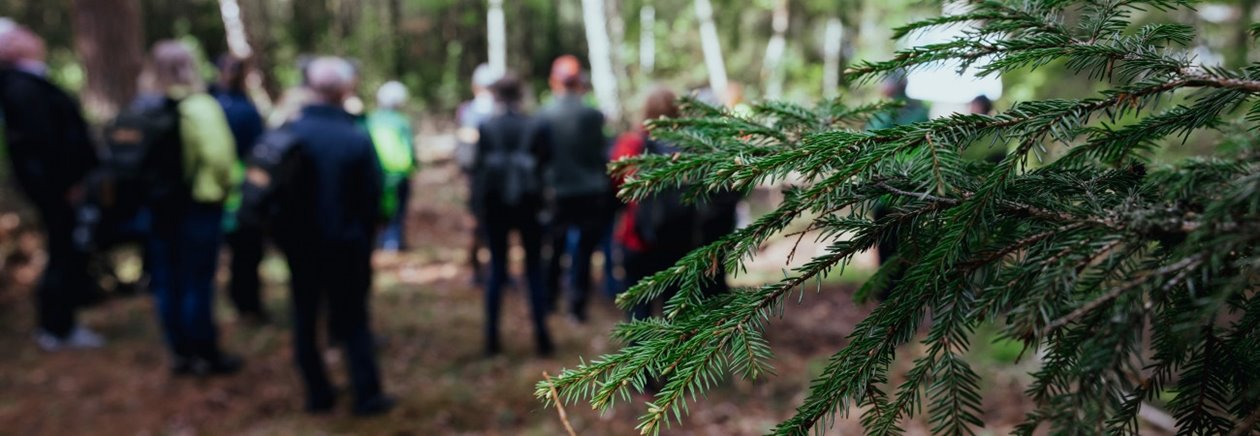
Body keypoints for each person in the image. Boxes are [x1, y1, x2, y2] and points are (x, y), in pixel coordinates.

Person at [272, 56, 394, 415]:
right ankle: (367, 396)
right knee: (353, 319)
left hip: (300, 248)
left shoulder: (287, 133)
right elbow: (373, 200)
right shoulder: (354, 138)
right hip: (346, 246)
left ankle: (317, 393)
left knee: (305, 317)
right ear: (345, 90)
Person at [0, 23, 104, 351]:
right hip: (57, 191)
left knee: (66, 249)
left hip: (60, 189)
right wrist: (64, 186)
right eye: (18, 34)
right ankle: (57, 326)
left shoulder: (29, 82)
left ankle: (62, 320)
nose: (31, 35)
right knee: (62, 250)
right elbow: (41, 146)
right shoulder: (20, 87)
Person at [140, 41, 242, 374]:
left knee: (167, 280)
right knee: (197, 281)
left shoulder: (142, 106)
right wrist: (224, 190)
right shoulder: (200, 106)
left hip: (156, 209)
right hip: (198, 206)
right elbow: (219, 157)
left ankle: (179, 352)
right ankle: (205, 353)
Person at [472, 74, 554, 357]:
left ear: (495, 95)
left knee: (497, 268)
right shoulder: (536, 125)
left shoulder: (486, 126)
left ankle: (491, 340)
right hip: (530, 206)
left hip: (495, 207)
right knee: (534, 269)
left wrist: (476, 209)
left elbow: (478, 170)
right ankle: (543, 337)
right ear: (521, 94)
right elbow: (546, 166)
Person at [610, 88, 703, 319]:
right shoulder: (691, 145)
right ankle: (675, 354)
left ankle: (639, 354)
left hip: (637, 238)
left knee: (638, 314)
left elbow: (618, 183)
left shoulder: (631, 143)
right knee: (675, 314)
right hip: (679, 239)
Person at [538, 55, 613, 322]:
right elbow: (601, 154)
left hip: (557, 192)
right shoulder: (593, 115)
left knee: (555, 247)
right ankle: (577, 306)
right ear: (579, 82)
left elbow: (540, 157)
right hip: (590, 191)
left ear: (555, 81)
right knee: (583, 250)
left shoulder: (544, 113)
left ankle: (548, 300)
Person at [210, 54, 269, 323]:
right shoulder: (242, 110)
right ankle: (247, 304)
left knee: (237, 251)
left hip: (216, 191)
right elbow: (258, 151)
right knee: (246, 251)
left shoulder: (209, 104)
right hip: (240, 192)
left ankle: (240, 301)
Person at [867, 71, 930, 300]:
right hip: (912, 192)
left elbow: (869, 140)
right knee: (905, 245)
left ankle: (886, 294)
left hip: (885, 192)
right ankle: (902, 294)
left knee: (886, 247)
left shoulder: (885, 113)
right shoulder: (921, 111)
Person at [457, 64, 499, 284]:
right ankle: (485, 271)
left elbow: (464, 154)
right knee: (487, 226)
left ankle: (482, 272)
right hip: (488, 179)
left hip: (478, 179)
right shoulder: (475, 111)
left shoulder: (468, 111)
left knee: (478, 226)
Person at [367, 81, 418, 252]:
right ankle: (394, 242)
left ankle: (380, 240)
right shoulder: (401, 122)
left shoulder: (371, 119)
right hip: (399, 173)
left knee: (378, 207)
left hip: (376, 173)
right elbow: (409, 147)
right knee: (398, 210)